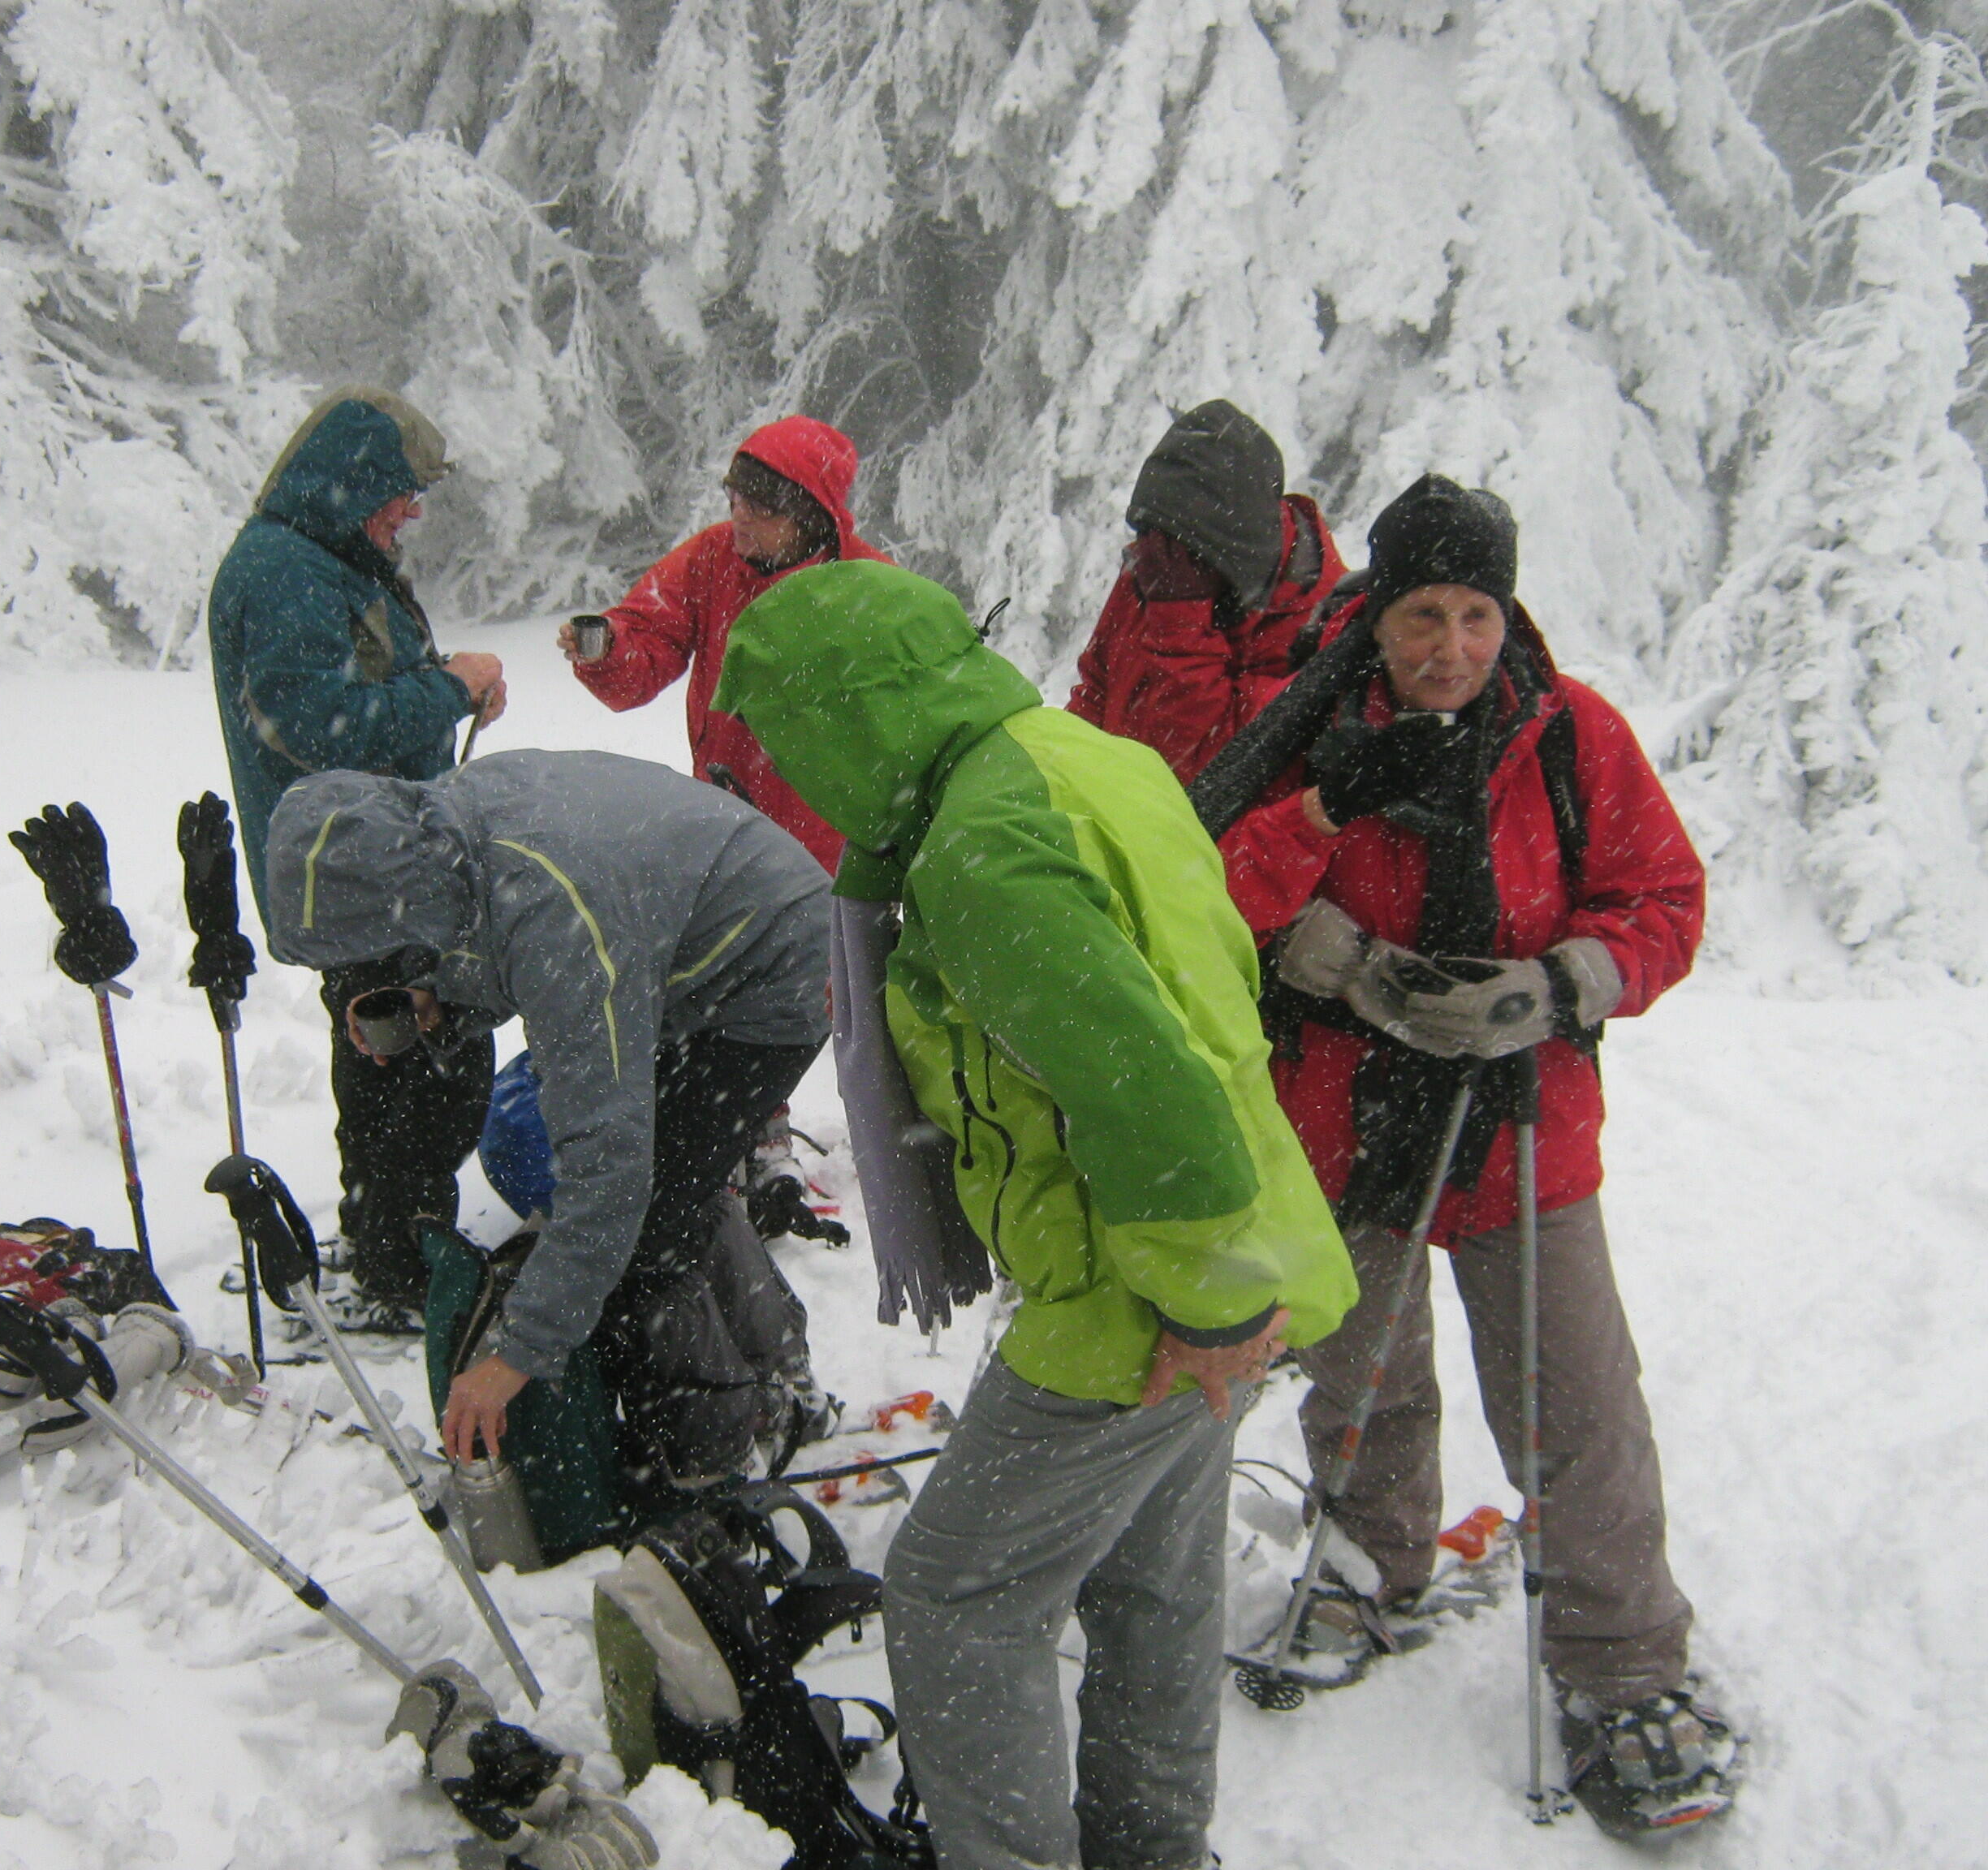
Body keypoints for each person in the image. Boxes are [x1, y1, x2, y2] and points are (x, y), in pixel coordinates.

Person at [713, 560, 1356, 1870]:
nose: (789, 770)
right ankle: (1150, 1846)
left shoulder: (981, 848)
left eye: (790, 737)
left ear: (853, 714)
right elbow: (1202, 982)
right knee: (1153, 1579)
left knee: (954, 1596)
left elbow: (1142, 1077)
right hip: (1240, 1231)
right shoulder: (1081, 760)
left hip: (1150, 1280)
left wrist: (1205, 1299)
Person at [1203, 473, 1736, 1835]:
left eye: (1476, 615)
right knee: (1360, 1372)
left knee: (1575, 1399)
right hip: (1345, 1116)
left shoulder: (1568, 735)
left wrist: (1558, 983)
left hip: (1521, 1125)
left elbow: (1665, 899)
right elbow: (1210, 892)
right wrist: (1330, 921)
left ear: (1509, 615)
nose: (1450, 647)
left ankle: (1625, 1664)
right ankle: (1368, 1564)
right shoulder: (1315, 732)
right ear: (1377, 615)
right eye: (1422, 615)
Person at [261, 748, 835, 1486]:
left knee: (641, 1221)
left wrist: (516, 1356)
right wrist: (442, 997)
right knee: (668, 1184)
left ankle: (714, 1453)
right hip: (683, 947)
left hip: (776, 968)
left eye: (387, 950)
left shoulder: (554, 914)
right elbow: (496, 935)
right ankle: (779, 1374)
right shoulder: (447, 832)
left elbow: (607, 1170)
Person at [206, 388, 507, 1324]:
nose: (411, 510)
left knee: (397, 1058)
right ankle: (400, 1266)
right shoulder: (284, 572)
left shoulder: (325, 560)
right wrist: (446, 691)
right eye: (402, 490)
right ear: (354, 480)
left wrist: (446, 688)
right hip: (354, 876)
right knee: (426, 1063)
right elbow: (318, 726)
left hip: (376, 864)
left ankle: (388, 1238)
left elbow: (358, 689)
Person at [558, 415, 887, 874]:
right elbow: (646, 650)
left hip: (832, 845)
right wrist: (608, 649)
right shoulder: (712, 557)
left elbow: (914, 720)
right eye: (735, 498)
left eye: (762, 507)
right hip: (723, 822)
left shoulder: (873, 587)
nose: (740, 516)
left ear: (809, 516)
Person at [1067, 399, 1348, 781]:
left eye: (1168, 544)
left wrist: (1180, 618)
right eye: (1148, 534)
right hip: (1111, 802)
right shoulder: (1163, 558)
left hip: (1176, 816)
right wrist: (1063, 779)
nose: (1149, 554)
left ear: (1226, 555)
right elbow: (1096, 690)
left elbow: (1201, 771)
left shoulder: (1318, 628)